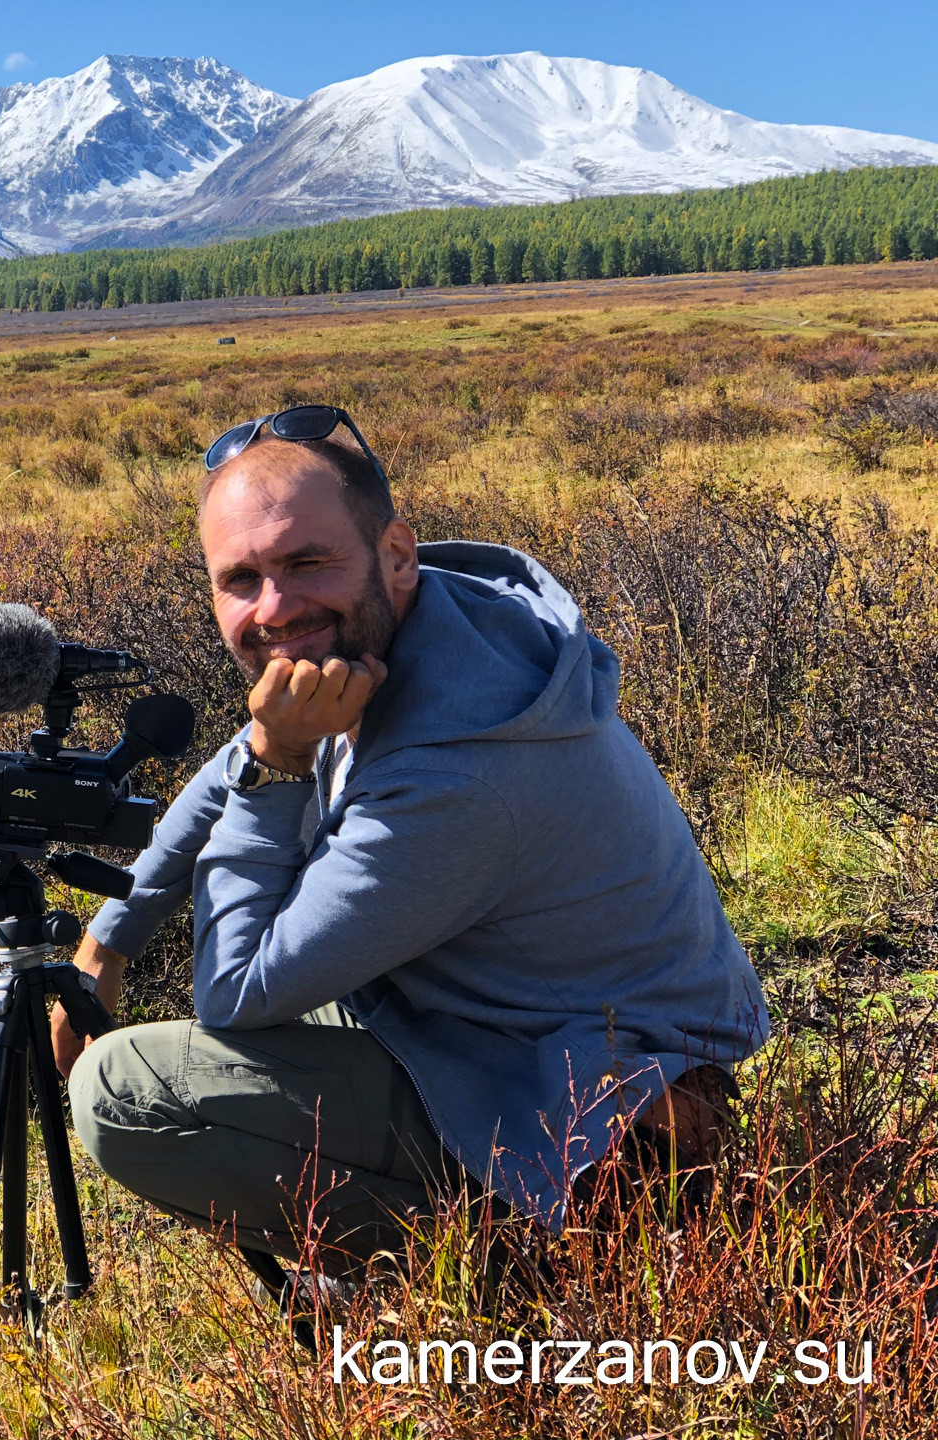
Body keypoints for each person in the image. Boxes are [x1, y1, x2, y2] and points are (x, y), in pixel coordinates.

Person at [51, 405, 770, 1269]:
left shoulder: (459, 771)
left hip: (593, 1104)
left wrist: (284, 765)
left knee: (125, 1091)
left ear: (395, 554)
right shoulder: (440, 622)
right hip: (511, 1029)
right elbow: (233, 763)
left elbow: (235, 990)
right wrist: (111, 937)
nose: (274, 608)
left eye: (306, 563)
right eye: (240, 579)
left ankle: (524, 1267)